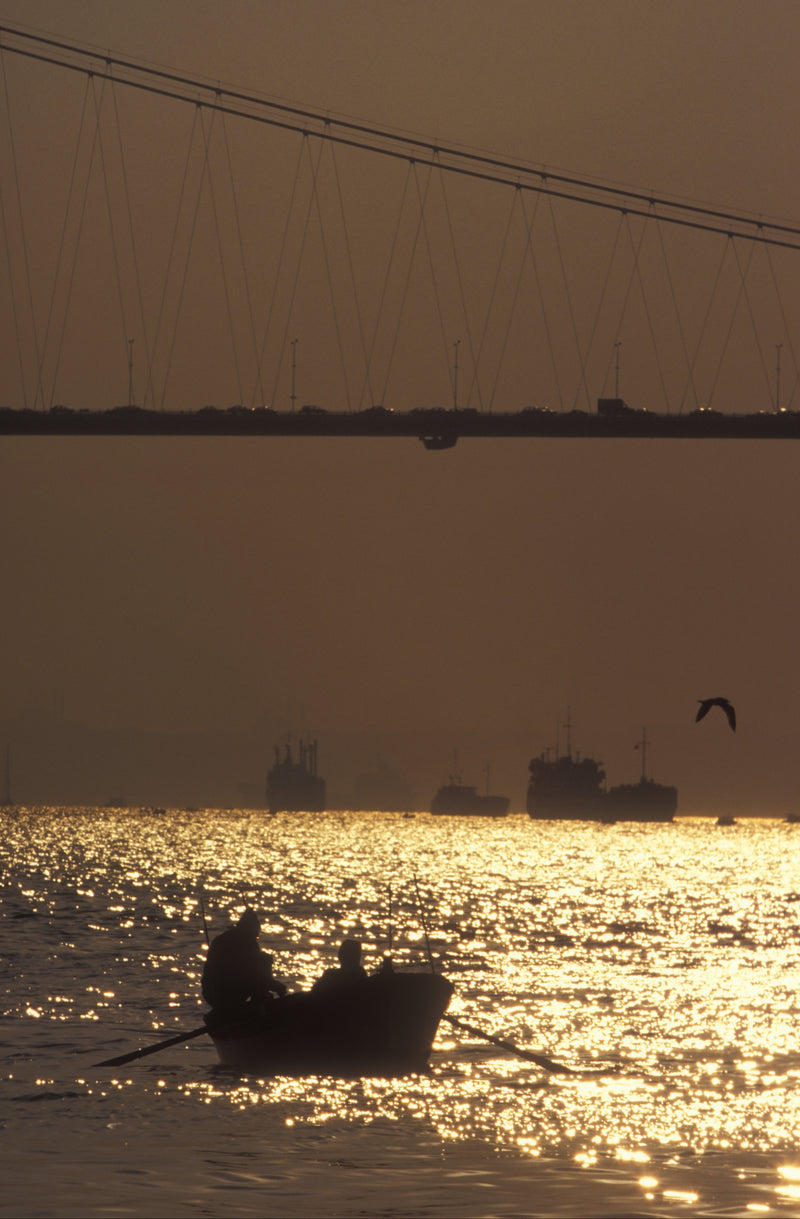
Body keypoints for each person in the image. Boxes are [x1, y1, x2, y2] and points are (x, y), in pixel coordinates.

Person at [202, 908, 286, 1015]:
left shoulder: (222, 939)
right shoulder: (248, 944)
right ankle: (258, 1005)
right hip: (224, 993)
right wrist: (276, 987)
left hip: (212, 995)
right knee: (265, 959)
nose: (256, 937)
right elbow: (251, 974)